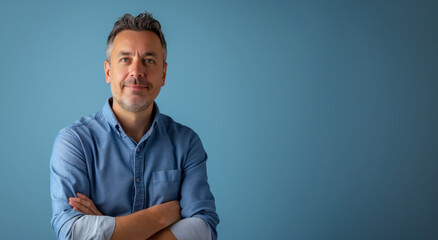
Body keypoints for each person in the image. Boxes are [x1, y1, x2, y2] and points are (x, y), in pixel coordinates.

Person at [50, 11, 219, 240]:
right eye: (125, 59)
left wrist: (107, 228)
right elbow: (72, 232)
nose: (137, 71)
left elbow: (203, 229)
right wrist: (162, 215)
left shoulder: (186, 143)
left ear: (163, 74)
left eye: (149, 61)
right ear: (108, 71)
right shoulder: (75, 142)